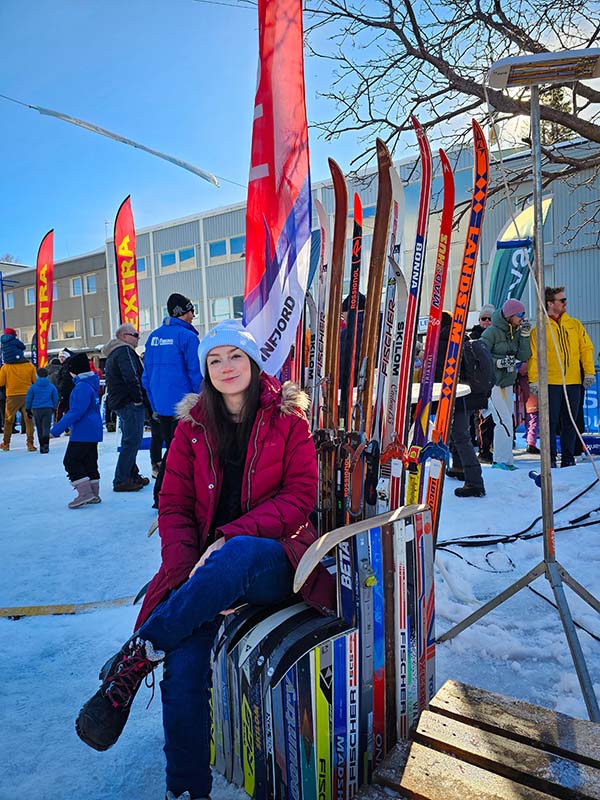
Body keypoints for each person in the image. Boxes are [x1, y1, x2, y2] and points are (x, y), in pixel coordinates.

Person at [75, 319, 335, 800]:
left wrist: (226, 541)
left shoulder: (287, 419)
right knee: (185, 663)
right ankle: (186, 789)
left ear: (254, 362)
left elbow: (301, 497)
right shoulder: (190, 430)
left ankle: (136, 654)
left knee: (234, 553)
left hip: (275, 560)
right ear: (205, 371)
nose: (225, 367)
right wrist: (187, 572)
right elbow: (172, 506)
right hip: (201, 573)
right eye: (214, 360)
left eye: (234, 356)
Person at [142, 293, 202, 506]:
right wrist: (204, 402)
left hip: (163, 408)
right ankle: (165, 496)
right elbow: (197, 373)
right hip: (186, 408)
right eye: (191, 310)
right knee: (183, 453)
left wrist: (155, 405)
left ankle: (164, 495)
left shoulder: (153, 338)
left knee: (174, 450)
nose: (194, 315)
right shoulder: (187, 337)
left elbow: (146, 377)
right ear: (182, 312)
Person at [528, 286, 595, 468]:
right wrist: (534, 379)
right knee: (549, 422)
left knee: (570, 421)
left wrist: (589, 372)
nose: (566, 303)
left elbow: (586, 349)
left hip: (573, 382)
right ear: (550, 303)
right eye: (562, 300)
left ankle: (568, 458)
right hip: (551, 383)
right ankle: (549, 459)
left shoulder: (574, 325)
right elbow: (534, 356)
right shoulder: (540, 329)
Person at [436, 313, 486, 497]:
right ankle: (458, 467)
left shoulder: (442, 341)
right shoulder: (461, 337)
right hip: (467, 393)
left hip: (454, 396)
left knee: (461, 436)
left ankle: (474, 481)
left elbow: (438, 374)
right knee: (459, 434)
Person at [481, 298, 532, 470]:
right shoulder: (492, 332)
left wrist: (525, 337)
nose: (522, 318)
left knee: (507, 420)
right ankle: (499, 460)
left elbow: (523, 355)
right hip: (493, 383)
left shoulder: (516, 332)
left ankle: (507, 460)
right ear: (510, 315)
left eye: (523, 314)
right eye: (519, 314)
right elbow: (480, 354)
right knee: (501, 420)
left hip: (507, 382)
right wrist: (498, 362)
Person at [50, 352, 103, 507]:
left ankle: (85, 493)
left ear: (75, 370)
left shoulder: (81, 387)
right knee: (89, 461)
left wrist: (56, 429)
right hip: (92, 430)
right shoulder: (91, 383)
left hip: (83, 431)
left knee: (71, 461)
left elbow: (76, 412)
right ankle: (93, 493)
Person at [103, 323, 149, 492]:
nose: (138, 337)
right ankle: (122, 479)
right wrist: (138, 399)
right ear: (123, 336)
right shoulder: (124, 352)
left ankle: (131, 474)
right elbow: (131, 376)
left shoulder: (115, 353)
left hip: (121, 402)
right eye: (135, 334)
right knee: (132, 441)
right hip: (129, 402)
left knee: (129, 440)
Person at [470, 305, 495, 462]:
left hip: (497, 383)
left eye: (489, 319)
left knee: (495, 418)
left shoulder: (497, 336)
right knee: (481, 418)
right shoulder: (473, 337)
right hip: (478, 384)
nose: (486, 322)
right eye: (483, 318)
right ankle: (484, 450)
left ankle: (491, 448)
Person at [0, 353, 37, 451]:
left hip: (12, 396)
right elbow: (34, 380)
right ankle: (30, 443)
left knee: (8, 420)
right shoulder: (29, 365)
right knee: (28, 419)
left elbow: (1, 382)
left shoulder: (6, 367)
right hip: (27, 395)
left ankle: (6, 443)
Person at [25, 367, 59, 454]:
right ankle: (46, 445)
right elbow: (55, 398)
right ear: (47, 375)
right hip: (48, 408)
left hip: (36, 409)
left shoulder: (33, 387)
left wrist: (28, 409)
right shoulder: (51, 386)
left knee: (39, 427)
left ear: (37, 375)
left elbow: (29, 398)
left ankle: (41, 445)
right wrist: (54, 407)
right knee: (46, 427)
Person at [55, 348, 75, 423]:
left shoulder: (66, 367)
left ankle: (58, 428)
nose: (61, 359)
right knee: (66, 410)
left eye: (63, 357)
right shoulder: (64, 367)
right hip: (67, 392)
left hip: (65, 392)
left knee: (60, 410)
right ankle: (67, 427)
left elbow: (65, 381)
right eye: (60, 357)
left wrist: (61, 390)